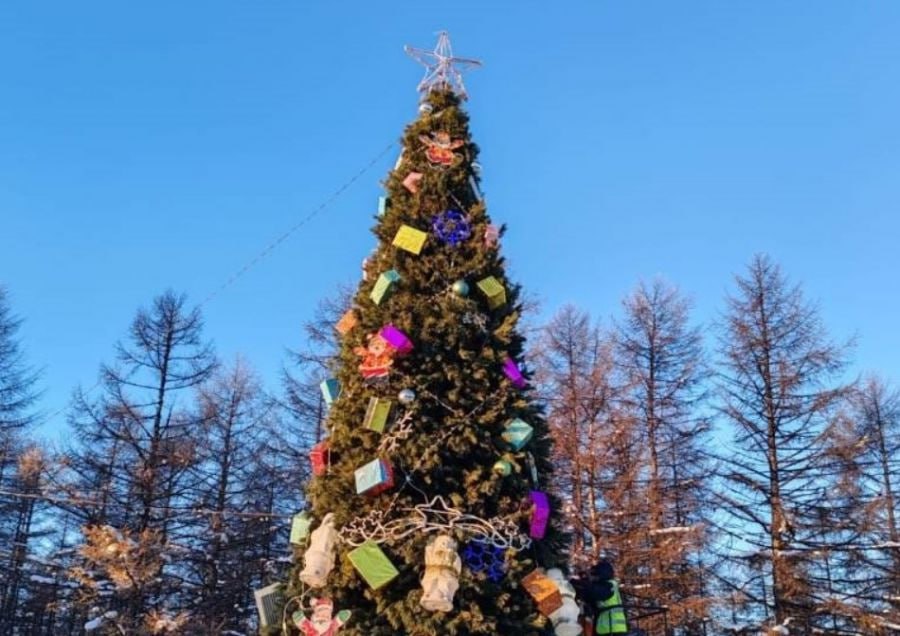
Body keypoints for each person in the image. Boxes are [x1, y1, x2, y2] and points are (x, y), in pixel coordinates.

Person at [573, 559, 628, 635]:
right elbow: (589, 597)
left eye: (595, 575)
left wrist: (581, 583)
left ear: (602, 574)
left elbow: (594, 592)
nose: (594, 578)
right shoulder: (605, 587)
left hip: (613, 629)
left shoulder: (609, 586)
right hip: (607, 629)